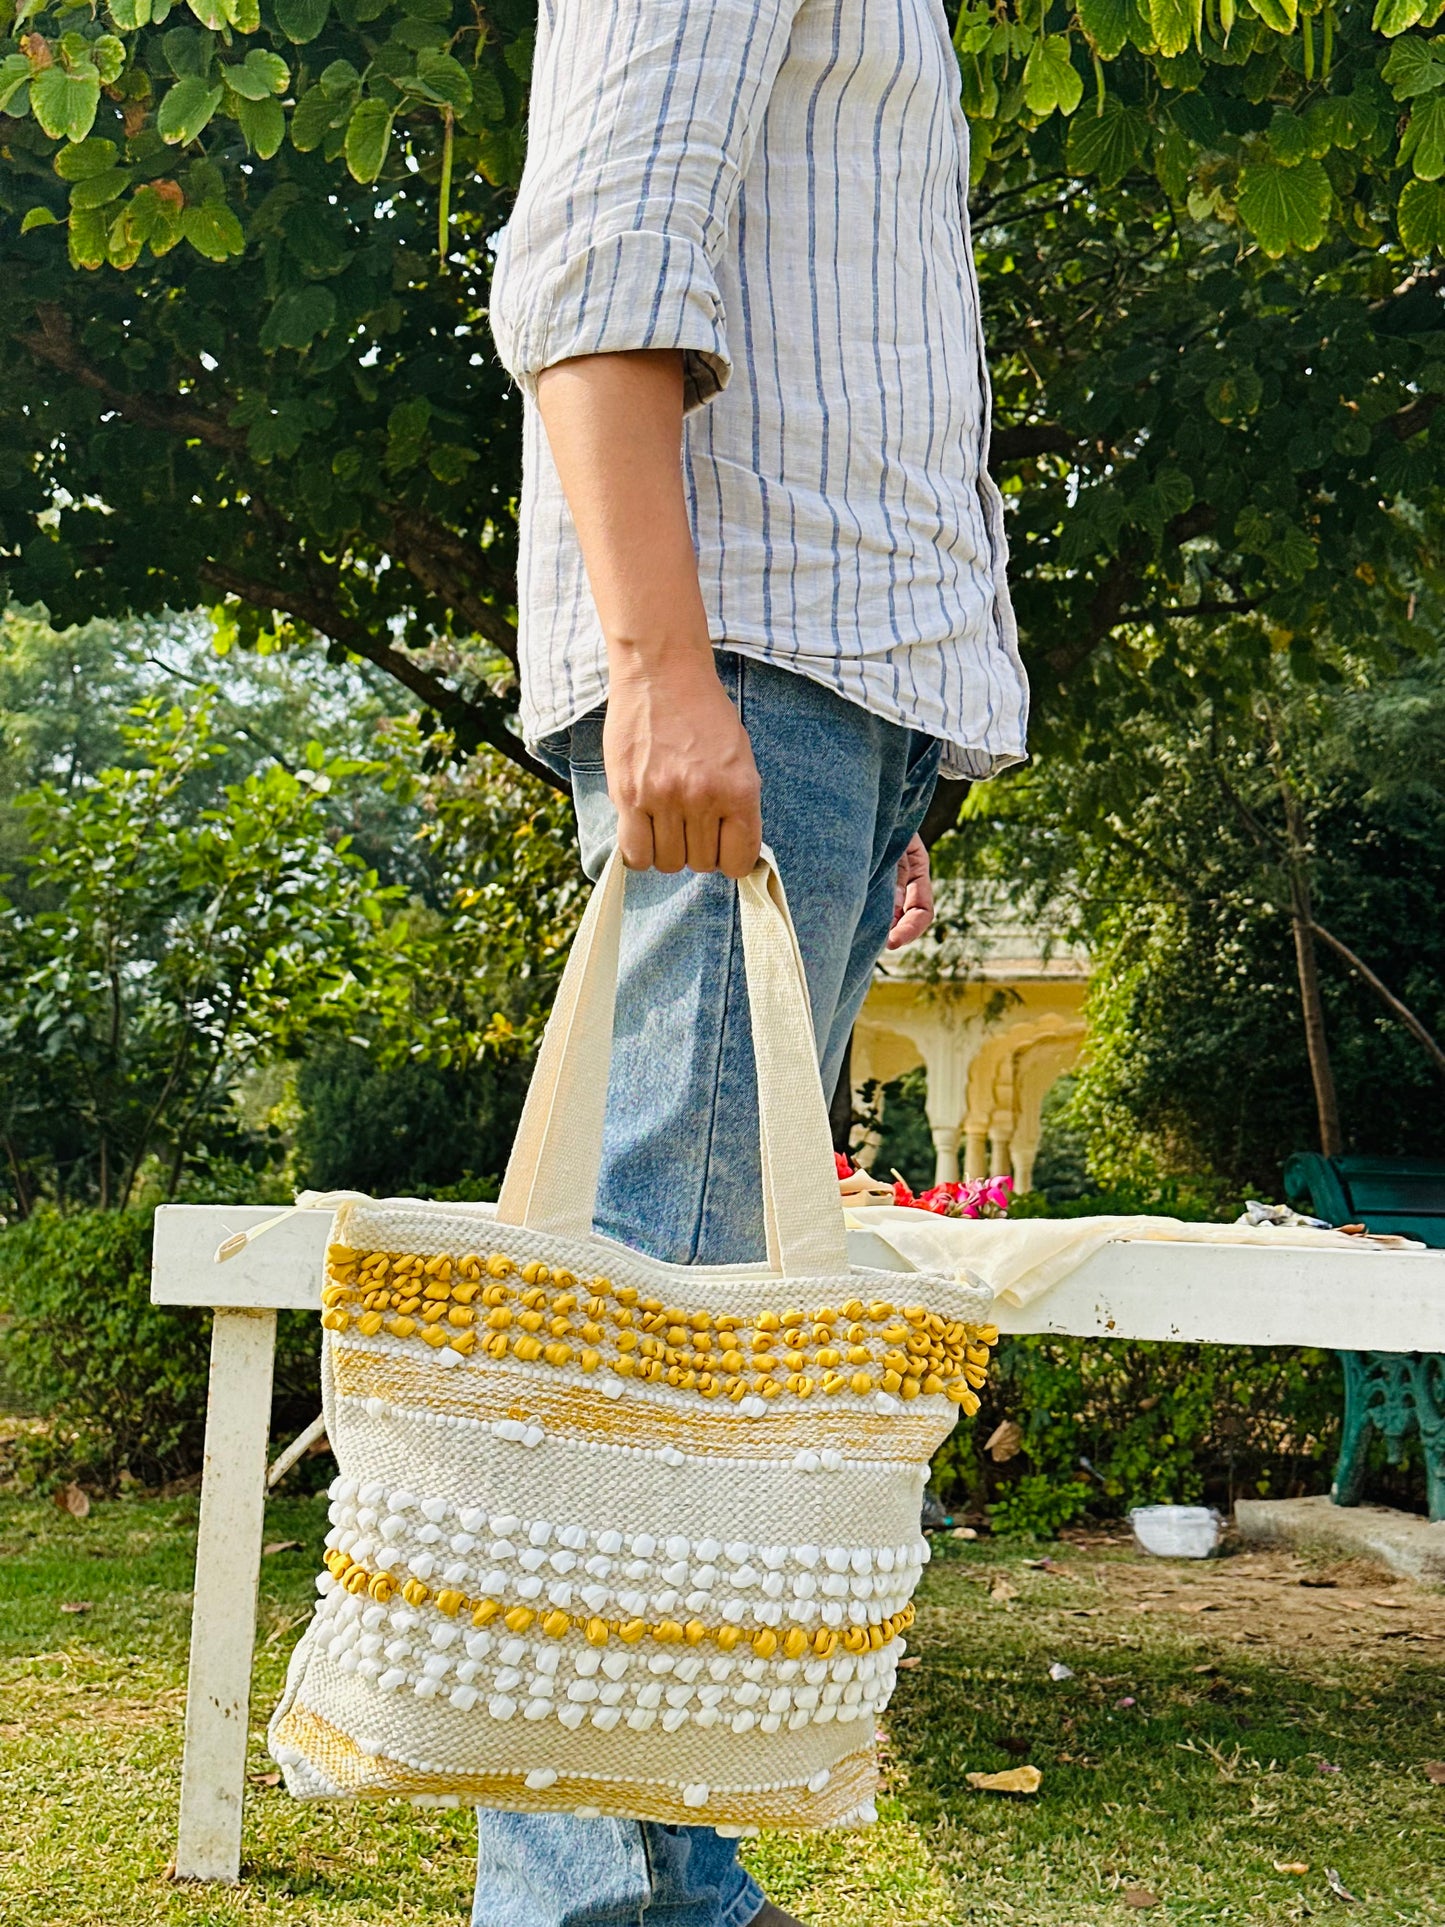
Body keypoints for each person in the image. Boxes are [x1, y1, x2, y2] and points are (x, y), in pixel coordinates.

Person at [478, 0, 1028, 1919]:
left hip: (832, 685)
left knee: (716, 1330)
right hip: (749, 653)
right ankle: (602, 1903)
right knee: (663, 1317)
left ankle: (653, 1879)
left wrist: (903, 783)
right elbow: (597, 247)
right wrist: (662, 675)